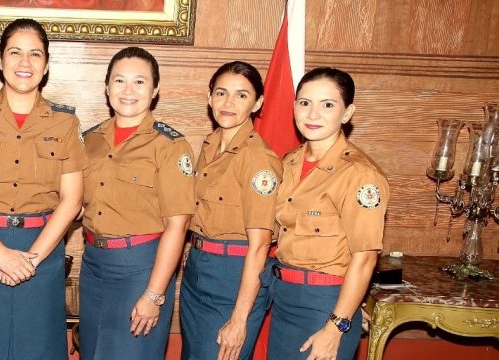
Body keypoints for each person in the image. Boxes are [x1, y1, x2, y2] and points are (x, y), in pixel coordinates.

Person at [0, 18, 87, 360]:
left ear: (47, 65)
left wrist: (31, 259)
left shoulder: (65, 123)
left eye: (35, 54)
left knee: (37, 349)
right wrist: (1, 254)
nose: (25, 63)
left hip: (41, 249)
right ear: (0, 60)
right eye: (15, 52)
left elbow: (72, 200)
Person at [78, 46, 195, 359]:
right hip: (93, 266)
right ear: (106, 87)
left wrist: (154, 294)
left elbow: (178, 225)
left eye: (139, 82)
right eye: (119, 81)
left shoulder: (170, 145)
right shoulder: (88, 140)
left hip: (141, 269)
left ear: (155, 90)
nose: (128, 90)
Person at [268, 67, 389, 360]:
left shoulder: (360, 174)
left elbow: (365, 258)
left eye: (328, 105)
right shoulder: (289, 162)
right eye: (304, 102)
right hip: (283, 295)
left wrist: (337, 325)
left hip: (324, 305)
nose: (312, 114)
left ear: (347, 113)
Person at [179, 61, 282, 360]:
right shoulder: (210, 146)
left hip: (234, 277)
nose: (228, 103)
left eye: (241, 95)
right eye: (221, 93)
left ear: (258, 102)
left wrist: (239, 319)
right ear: (209, 97)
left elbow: (261, 243)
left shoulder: (258, 159)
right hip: (198, 268)